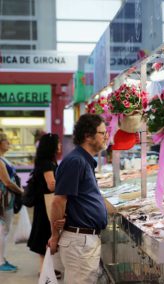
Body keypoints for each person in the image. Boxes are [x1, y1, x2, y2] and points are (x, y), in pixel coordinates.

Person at [48, 114, 108, 283]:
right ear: (88, 136)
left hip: (83, 240)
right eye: (102, 133)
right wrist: (54, 235)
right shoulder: (76, 161)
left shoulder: (84, 160)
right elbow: (58, 200)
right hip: (79, 241)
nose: (106, 137)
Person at [27, 133, 62, 277]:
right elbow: (52, 185)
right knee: (44, 235)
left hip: (43, 203)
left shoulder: (43, 161)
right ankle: (45, 270)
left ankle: (46, 269)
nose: (60, 146)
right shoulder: (47, 163)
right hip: (46, 204)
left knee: (43, 234)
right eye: (57, 143)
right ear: (51, 146)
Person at [0, 133, 24, 272]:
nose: (9, 142)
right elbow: (7, 182)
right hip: (4, 198)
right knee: (3, 229)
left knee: (4, 229)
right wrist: (21, 191)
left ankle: (2, 258)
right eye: (6, 140)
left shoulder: (3, 159)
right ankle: (1, 262)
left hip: (7, 198)